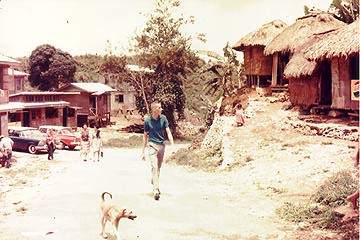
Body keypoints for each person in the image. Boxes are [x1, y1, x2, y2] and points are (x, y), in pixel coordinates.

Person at [141, 102, 174, 201]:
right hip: (152, 146)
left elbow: (168, 131)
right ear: (154, 109)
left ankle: (154, 179)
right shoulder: (147, 121)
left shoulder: (163, 118)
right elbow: (145, 136)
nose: (161, 109)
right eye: (159, 108)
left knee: (158, 168)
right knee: (154, 167)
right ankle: (156, 189)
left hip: (161, 146)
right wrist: (142, 152)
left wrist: (172, 144)